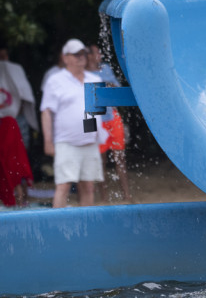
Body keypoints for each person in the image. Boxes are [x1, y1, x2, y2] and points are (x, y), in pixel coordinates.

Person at [40, 39, 104, 208]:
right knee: (63, 185)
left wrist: (101, 136)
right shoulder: (55, 80)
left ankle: (87, 228)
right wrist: (48, 141)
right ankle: (56, 228)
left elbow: (101, 111)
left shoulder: (94, 79)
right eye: (76, 54)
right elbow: (46, 111)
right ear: (65, 57)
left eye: (83, 53)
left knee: (89, 187)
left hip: (90, 141)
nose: (80, 57)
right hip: (66, 141)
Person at [87, 44, 132, 202]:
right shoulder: (84, 74)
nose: (99, 55)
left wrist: (105, 85)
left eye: (100, 52)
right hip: (95, 119)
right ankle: (104, 198)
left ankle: (127, 196)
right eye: (95, 52)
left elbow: (117, 90)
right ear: (89, 56)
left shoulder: (105, 68)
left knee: (120, 158)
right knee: (100, 160)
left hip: (112, 116)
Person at [0, 45, 39, 153]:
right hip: (71, 141)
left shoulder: (88, 79)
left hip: (17, 117)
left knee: (19, 151)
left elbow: (25, 94)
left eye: (4, 57)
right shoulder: (58, 79)